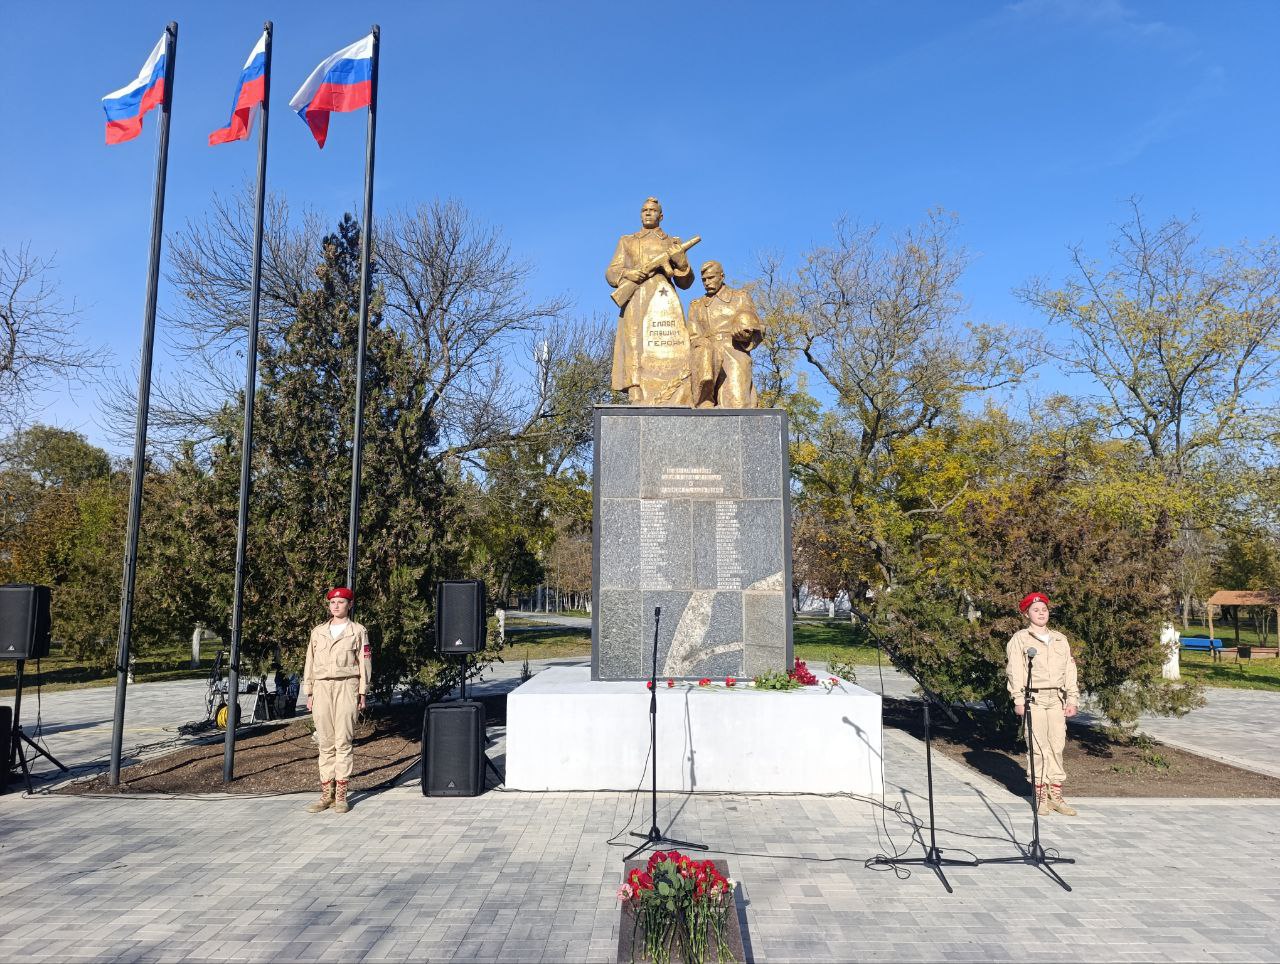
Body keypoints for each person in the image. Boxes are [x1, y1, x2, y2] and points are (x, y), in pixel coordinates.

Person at [605, 197, 695, 404]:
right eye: (644, 210)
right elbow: (611, 272)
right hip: (636, 295)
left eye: (652, 210)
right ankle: (636, 388)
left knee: (672, 344)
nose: (647, 213)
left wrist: (681, 263)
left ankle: (676, 389)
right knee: (634, 342)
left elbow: (686, 282)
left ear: (661, 216)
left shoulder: (672, 243)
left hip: (664, 300)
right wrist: (628, 274)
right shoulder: (627, 240)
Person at [1005, 592, 1080, 816]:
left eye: (1044, 610)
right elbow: (1015, 671)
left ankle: (1055, 794)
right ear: (1027, 613)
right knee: (1038, 748)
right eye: (1036, 610)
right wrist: (1018, 699)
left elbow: (1069, 669)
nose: (1041, 613)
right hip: (1033, 699)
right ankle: (1039, 795)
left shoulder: (1060, 639)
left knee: (1057, 746)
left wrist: (1072, 698)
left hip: (1056, 699)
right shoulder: (1020, 639)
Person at [302, 587, 371, 814]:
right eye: (333, 602)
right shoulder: (318, 632)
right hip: (321, 687)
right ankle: (326, 794)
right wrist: (309, 692)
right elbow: (309, 663)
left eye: (341, 602)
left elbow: (364, 663)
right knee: (325, 742)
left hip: (346, 685)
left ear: (349, 605)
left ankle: (341, 796)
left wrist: (363, 692)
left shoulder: (358, 631)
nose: (336, 606)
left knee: (343, 741)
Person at [686, 260, 763, 408]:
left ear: (722, 276)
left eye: (711, 278)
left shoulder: (740, 297)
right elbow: (693, 336)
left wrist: (747, 332)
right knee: (703, 407)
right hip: (706, 355)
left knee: (737, 404)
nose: (707, 282)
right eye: (704, 280)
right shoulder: (696, 305)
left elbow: (759, 326)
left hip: (734, 351)